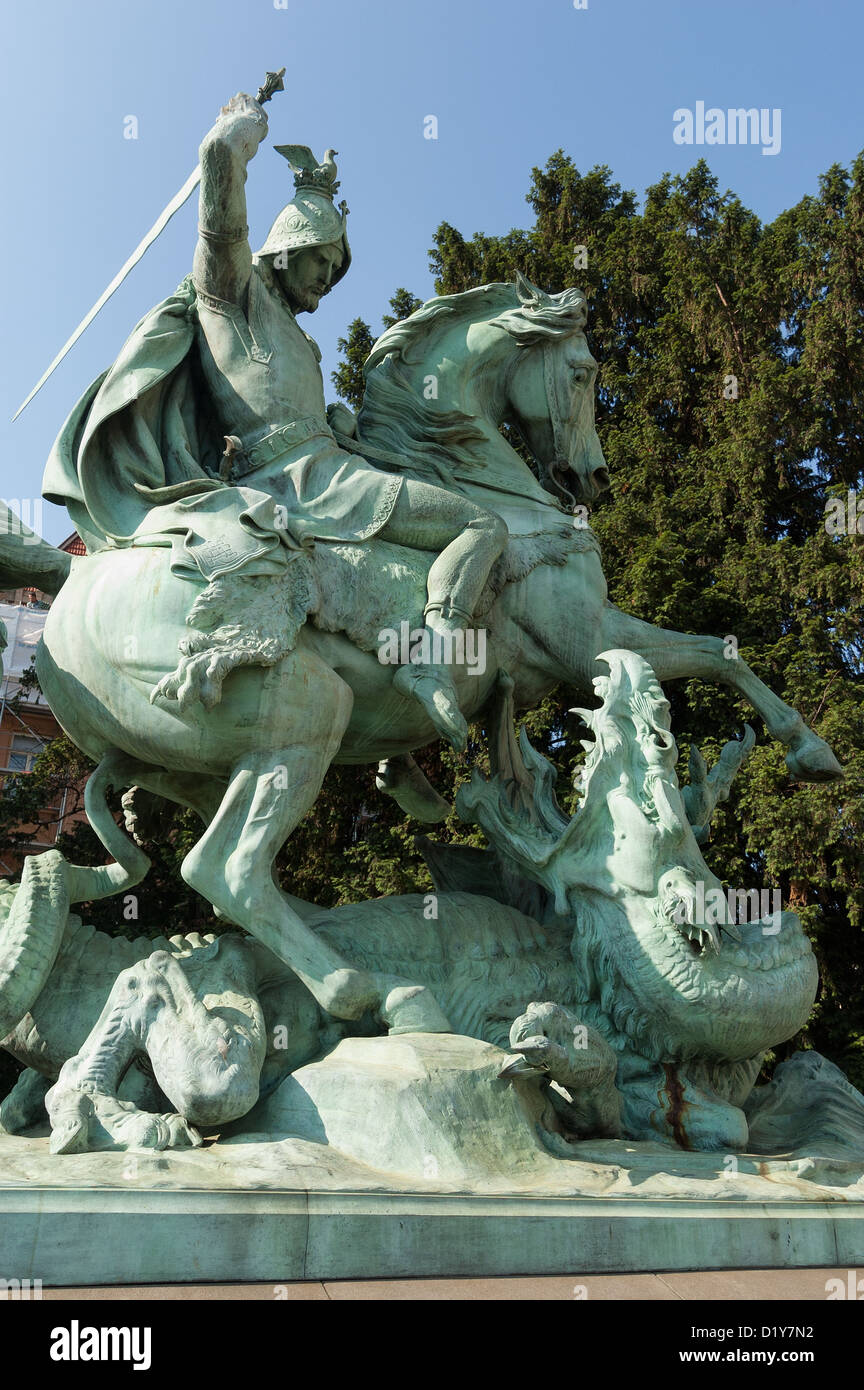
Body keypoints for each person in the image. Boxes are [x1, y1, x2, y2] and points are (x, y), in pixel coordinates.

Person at [187, 92, 508, 748]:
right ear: (285, 249)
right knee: (481, 522)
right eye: (321, 261)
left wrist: (336, 426)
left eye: (337, 270)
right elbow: (220, 204)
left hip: (327, 466)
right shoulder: (232, 295)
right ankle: (432, 657)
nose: (328, 280)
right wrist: (238, 137)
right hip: (303, 481)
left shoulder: (301, 344)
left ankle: (390, 737)